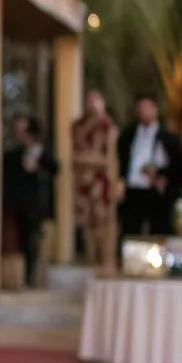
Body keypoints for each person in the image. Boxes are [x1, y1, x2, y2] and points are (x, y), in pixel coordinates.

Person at [117, 93, 182, 237]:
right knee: (130, 233)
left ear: (155, 109)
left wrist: (160, 173)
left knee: (158, 234)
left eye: (147, 107)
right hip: (133, 192)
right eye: (140, 108)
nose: (143, 111)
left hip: (156, 193)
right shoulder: (128, 136)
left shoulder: (169, 138)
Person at [3, 114, 57, 288]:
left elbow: (55, 168)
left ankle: (30, 278)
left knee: (33, 242)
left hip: (35, 206)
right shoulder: (12, 154)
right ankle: (16, 278)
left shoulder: (41, 152)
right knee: (16, 243)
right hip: (15, 204)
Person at [71, 89, 119, 270]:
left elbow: (108, 159)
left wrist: (88, 159)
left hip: (101, 181)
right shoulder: (77, 126)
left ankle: (105, 258)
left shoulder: (107, 127)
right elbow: (73, 156)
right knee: (86, 222)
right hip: (82, 181)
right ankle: (90, 258)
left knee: (102, 220)